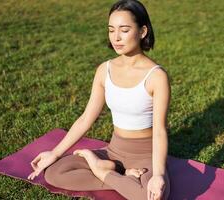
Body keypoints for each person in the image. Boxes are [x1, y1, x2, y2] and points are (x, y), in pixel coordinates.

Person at [27, 0, 170, 199]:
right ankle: (117, 173)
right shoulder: (104, 70)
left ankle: (102, 171)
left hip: (146, 156)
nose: (116, 38)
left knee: (153, 197)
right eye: (111, 30)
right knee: (54, 172)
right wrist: (55, 153)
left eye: (124, 30)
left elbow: (160, 131)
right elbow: (86, 118)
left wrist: (159, 174)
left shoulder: (156, 76)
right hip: (114, 152)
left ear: (143, 31)